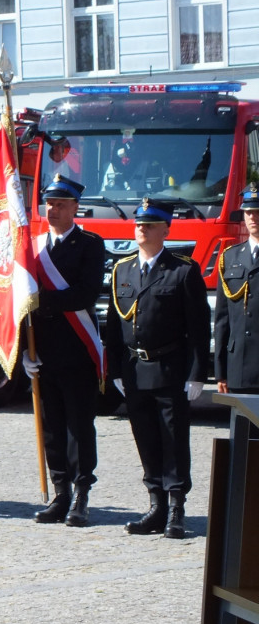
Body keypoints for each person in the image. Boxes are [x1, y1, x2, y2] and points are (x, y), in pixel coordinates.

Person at [106, 197, 210, 539]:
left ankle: (177, 506)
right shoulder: (123, 270)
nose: (142, 229)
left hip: (170, 368)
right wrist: (116, 369)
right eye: (139, 223)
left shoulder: (182, 270)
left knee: (173, 439)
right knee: (146, 438)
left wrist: (197, 373)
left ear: (166, 229)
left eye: (149, 224)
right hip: (135, 368)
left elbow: (198, 327)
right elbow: (113, 326)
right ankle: (156, 505)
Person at [22, 175, 105, 527]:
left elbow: (85, 293)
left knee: (78, 425)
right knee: (50, 425)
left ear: (74, 208)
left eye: (60, 204)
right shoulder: (34, 247)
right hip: (42, 351)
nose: (53, 210)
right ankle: (60, 492)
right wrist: (24, 350)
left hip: (76, 349)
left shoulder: (89, 244)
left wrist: (40, 301)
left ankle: (82, 492)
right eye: (49, 204)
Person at [214, 182, 259, 395]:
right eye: (248, 212)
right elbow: (223, 319)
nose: (252, 217)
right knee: (241, 428)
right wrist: (220, 370)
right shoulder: (230, 257)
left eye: (257, 211)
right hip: (238, 364)